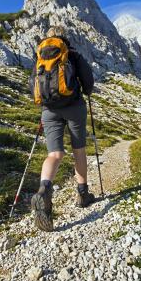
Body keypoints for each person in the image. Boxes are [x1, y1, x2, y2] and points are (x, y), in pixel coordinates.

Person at [30, 25, 96, 232]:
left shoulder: (40, 57)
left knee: (55, 153)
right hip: (74, 107)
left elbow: (32, 84)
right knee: (79, 150)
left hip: (49, 110)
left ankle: (44, 188)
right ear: (64, 37)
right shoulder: (72, 55)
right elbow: (88, 82)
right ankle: (83, 193)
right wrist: (86, 91)